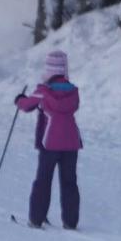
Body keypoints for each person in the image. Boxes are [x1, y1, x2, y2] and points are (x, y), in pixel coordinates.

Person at [15, 49, 83, 229]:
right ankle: (70, 222)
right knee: (69, 181)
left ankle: (36, 219)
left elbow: (26, 105)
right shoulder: (73, 91)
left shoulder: (43, 91)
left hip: (50, 142)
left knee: (44, 179)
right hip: (71, 142)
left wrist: (19, 99)